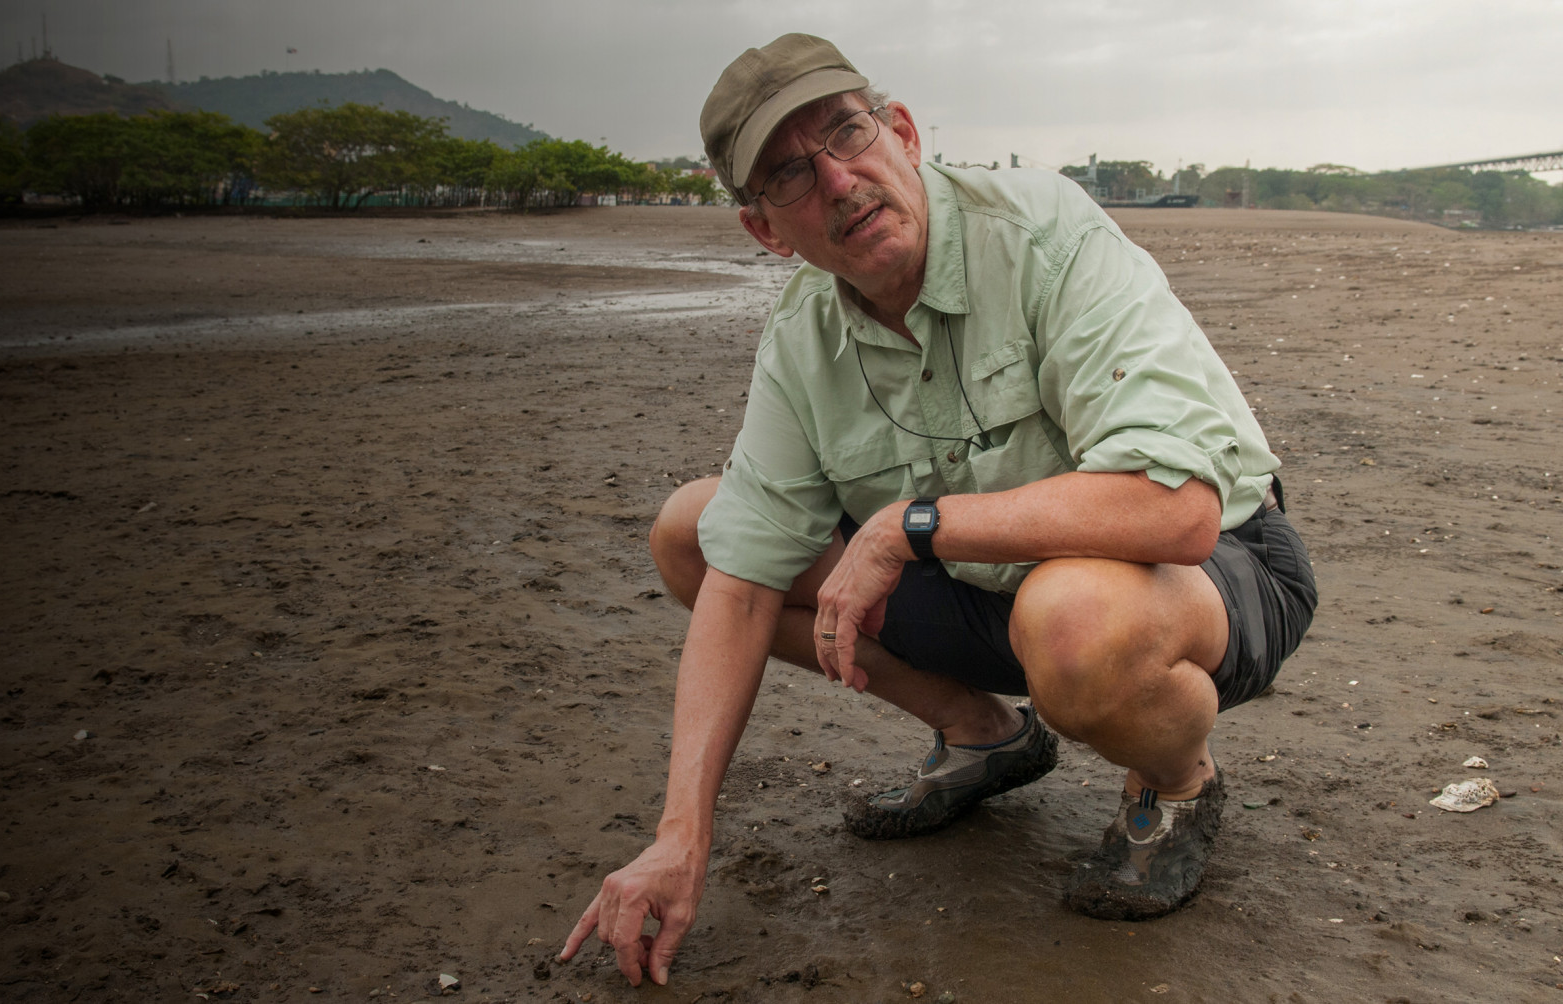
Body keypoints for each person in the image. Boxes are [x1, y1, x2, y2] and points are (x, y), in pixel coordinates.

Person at [560, 33, 1316, 987]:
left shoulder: (1042, 231)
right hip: (988, 595)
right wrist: (679, 838)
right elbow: (745, 578)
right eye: (792, 173)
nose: (839, 180)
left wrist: (910, 527)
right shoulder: (805, 335)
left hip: (1210, 575)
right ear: (764, 228)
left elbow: (1179, 512)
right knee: (695, 536)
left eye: (847, 132)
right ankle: (984, 735)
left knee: (1074, 619)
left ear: (904, 133)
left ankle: (1176, 786)